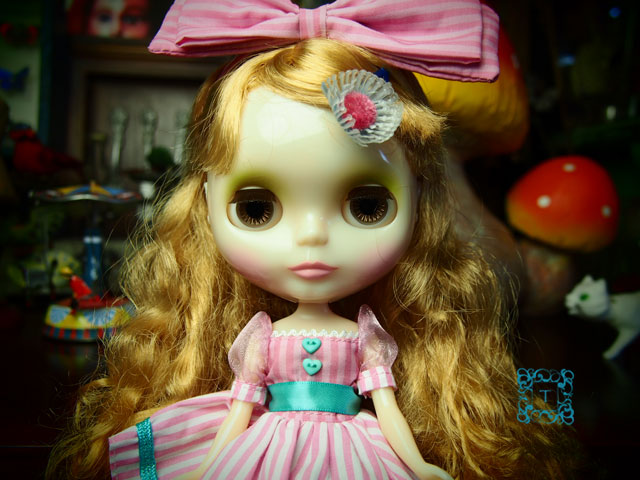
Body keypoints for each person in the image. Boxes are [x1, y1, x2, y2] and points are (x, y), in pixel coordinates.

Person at [48, 2, 581, 479]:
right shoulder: (261, 336)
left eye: (367, 206)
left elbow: (388, 409)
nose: (311, 237)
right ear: (205, 201)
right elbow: (238, 410)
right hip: (266, 449)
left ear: (419, 199)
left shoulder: (365, 336)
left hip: (356, 450)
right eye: (256, 209)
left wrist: (418, 465)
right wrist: (208, 467)